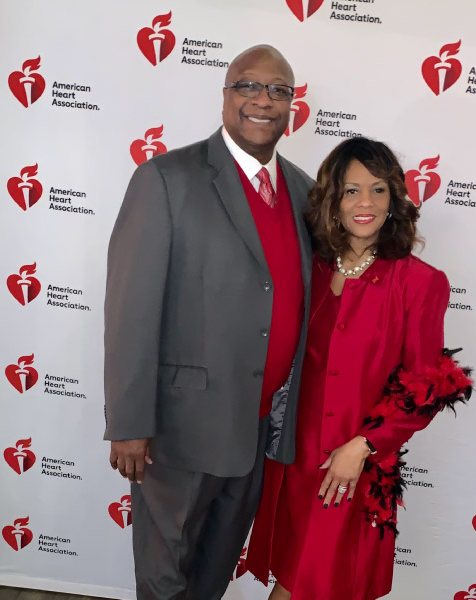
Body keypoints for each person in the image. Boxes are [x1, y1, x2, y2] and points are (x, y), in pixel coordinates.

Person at [103, 45, 313, 600]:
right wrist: (128, 422)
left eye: (279, 90)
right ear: (225, 96)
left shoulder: (302, 190)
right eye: (248, 85)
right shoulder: (166, 179)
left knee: (213, 574)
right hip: (179, 430)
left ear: (292, 106)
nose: (263, 100)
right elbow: (129, 308)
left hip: (258, 428)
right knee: (165, 577)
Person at [246, 137, 473, 600]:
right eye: (351, 191)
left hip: (354, 468)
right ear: (333, 199)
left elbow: (426, 386)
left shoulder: (420, 282)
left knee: (316, 583)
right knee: (294, 576)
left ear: (394, 200)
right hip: (292, 458)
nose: (365, 202)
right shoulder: (308, 267)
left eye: (378, 190)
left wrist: (364, 446)